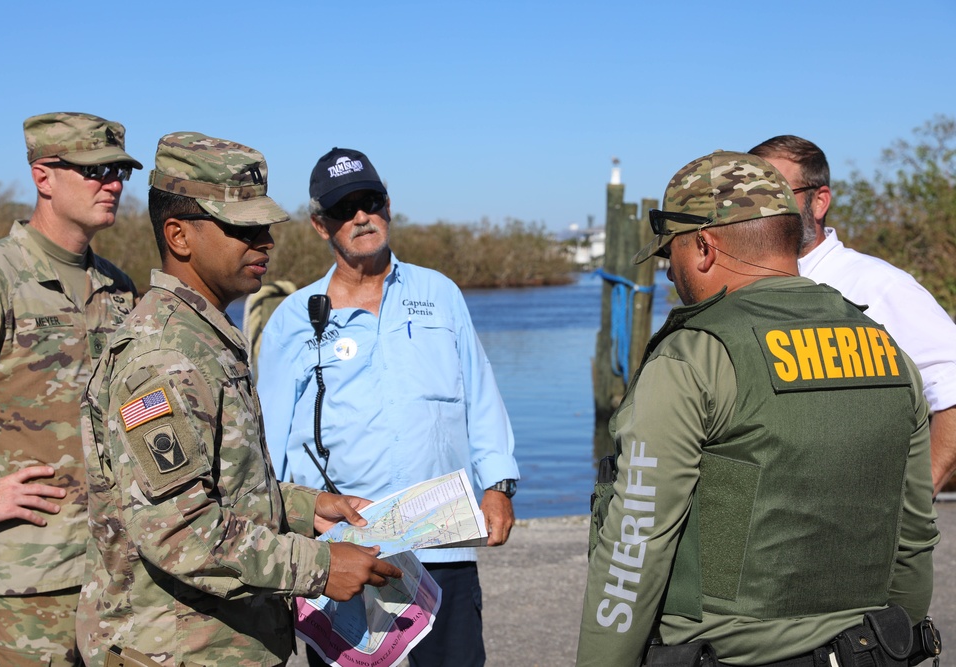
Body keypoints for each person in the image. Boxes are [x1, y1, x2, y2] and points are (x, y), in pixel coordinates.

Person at [578, 151, 938, 667]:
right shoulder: (887, 350)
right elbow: (913, 534)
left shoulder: (694, 356)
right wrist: (897, 642)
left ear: (703, 246)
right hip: (868, 651)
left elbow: (636, 546)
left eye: (670, 255)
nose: (669, 275)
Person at [76, 133, 403, 667]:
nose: (264, 243)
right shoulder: (162, 355)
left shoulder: (204, 335)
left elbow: (223, 484)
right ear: (179, 236)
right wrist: (320, 566)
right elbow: (180, 531)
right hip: (176, 650)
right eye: (243, 228)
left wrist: (308, 507)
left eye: (266, 228)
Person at [258, 147, 520, 667]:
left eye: (370, 201)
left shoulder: (440, 294)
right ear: (319, 225)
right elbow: (268, 442)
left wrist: (497, 487)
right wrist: (293, 534)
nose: (361, 216)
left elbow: (481, 397)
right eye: (343, 208)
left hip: (443, 543)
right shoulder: (293, 318)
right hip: (343, 550)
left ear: (389, 205)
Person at [0, 111, 141, 666]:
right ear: (44, 177)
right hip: (26, 585)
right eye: (96, 170)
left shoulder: (118, 288)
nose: (112, 184)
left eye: (119, 172)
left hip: (115, 577)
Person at [749, 135, 956, 494]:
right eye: (749, 199)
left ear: (819, 201)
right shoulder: (744, 288)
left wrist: (913, 504)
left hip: (857, 534)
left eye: (777, 195)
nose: (760, 210)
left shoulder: (878, 285)